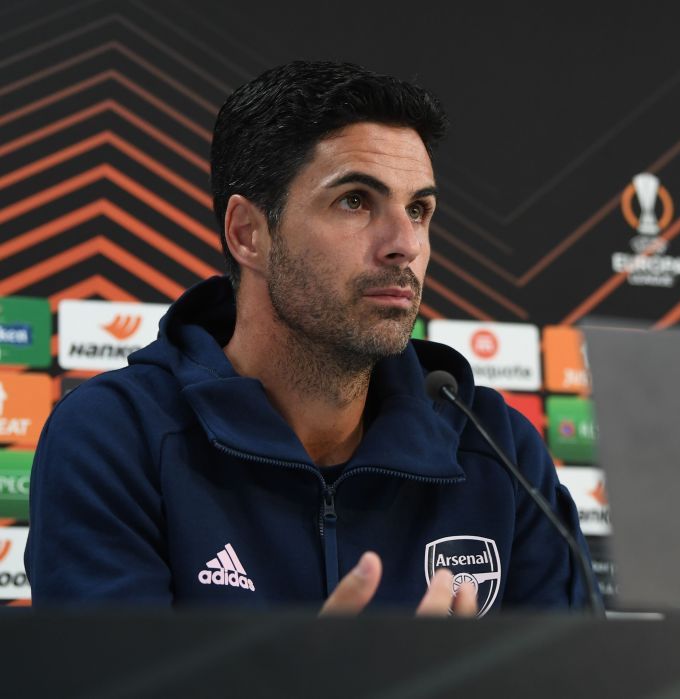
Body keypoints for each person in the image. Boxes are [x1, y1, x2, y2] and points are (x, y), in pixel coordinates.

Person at [25, 61, 592, 615]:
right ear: (248, 233)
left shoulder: (498, 450)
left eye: (418, 209)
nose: (405, 244)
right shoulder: (116, 438)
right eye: (354, 201)